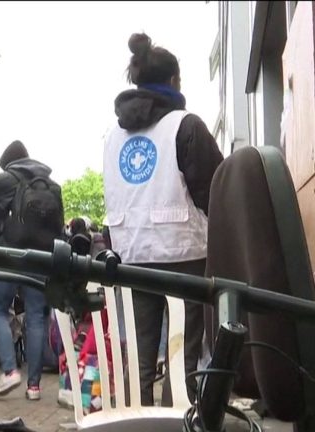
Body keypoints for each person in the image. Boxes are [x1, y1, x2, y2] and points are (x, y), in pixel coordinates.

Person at [102, 32, 224, 406]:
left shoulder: (111, 137)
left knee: (139, 352)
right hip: (183, 254)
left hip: (132, 255)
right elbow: (213, 191)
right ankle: (176, 423)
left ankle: (135, 422)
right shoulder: (186, 126)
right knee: (180, 355)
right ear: (174, 80)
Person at [0, 140, 64, 401]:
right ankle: (34, 386)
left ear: (8, 163)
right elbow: (60, 227)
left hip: (8, 255)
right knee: (36, 317)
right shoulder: (52, 186)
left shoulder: (4, 179)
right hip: (41, 258)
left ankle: (10, 370)